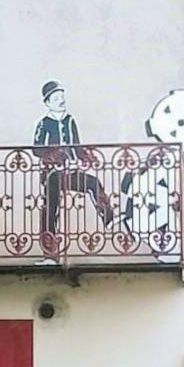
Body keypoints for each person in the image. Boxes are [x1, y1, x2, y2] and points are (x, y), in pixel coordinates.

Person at [33, 80, 112, 262]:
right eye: (56, 98)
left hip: (70, 171)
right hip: (52, 173)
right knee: (51, 206)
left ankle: (109, 218)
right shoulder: (44, 123)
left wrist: (85, 157)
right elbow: (36, 148)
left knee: (92, 183)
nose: (61, 100)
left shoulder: (70, 121)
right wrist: (54, 155)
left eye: (62, 96)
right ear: (48, 102)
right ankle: (49, 251)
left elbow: (77, 144)